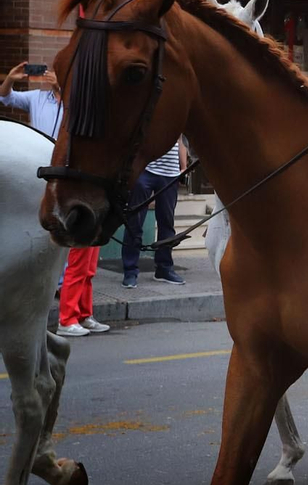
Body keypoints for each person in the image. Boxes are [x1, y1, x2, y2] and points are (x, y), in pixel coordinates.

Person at [4, 63, 109, 336]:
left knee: (88, 259)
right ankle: (67, 317)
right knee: (74, 253)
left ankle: (84, 314)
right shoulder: (37, 98)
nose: (53, 76)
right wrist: (12, 79)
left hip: (80, 178)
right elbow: (5, 97)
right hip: (50, 176)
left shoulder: (79, 103)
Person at [120, 141, 187, 288]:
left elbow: (180, 140)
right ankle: (130, 271)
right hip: (145, 171)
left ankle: (164, 268)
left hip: (170, 174)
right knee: (134, 222)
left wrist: (183, 167)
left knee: (167, 223)